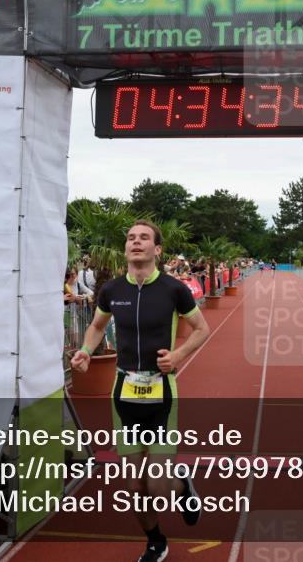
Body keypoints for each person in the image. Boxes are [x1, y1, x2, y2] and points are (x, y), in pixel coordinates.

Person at [71, 220, 210, 562]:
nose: (136, 242)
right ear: (126, 248)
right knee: (136, 487)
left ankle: (180, 485)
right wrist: (86, 352)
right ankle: (155, 541)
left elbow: (201, 329)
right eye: (131, 238)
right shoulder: (112, 290)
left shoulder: (173, 289)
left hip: (161, 392)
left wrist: (177, 356)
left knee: (158, 488)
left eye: (144, 238)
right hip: (124, 392)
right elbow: (96, 326)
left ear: (157, 249)